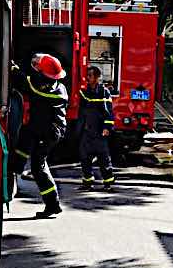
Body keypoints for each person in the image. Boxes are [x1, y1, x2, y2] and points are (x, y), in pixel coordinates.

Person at [9, 53, 69, 218]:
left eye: (37, 67)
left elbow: (24, 82)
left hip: (48, 132)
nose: (35, 67)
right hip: (42, 128)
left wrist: (12, 68)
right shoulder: (57, 85)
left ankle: (53, 204)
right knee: (25, 139)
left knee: (38, 167)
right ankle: (15, 168)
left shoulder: (43, 88)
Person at [77, 66, 115, 191]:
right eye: (87, 75)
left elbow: (108, 111)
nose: (87, 78)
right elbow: (81, 113)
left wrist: (107, 127)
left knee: (103, 158)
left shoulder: (104, 92)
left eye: (90, 76)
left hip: (99, 131)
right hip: (87, 130)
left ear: (97, 77)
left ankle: (108, 183)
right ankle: (87, 183)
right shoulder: (85, 92)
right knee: (84, 157)